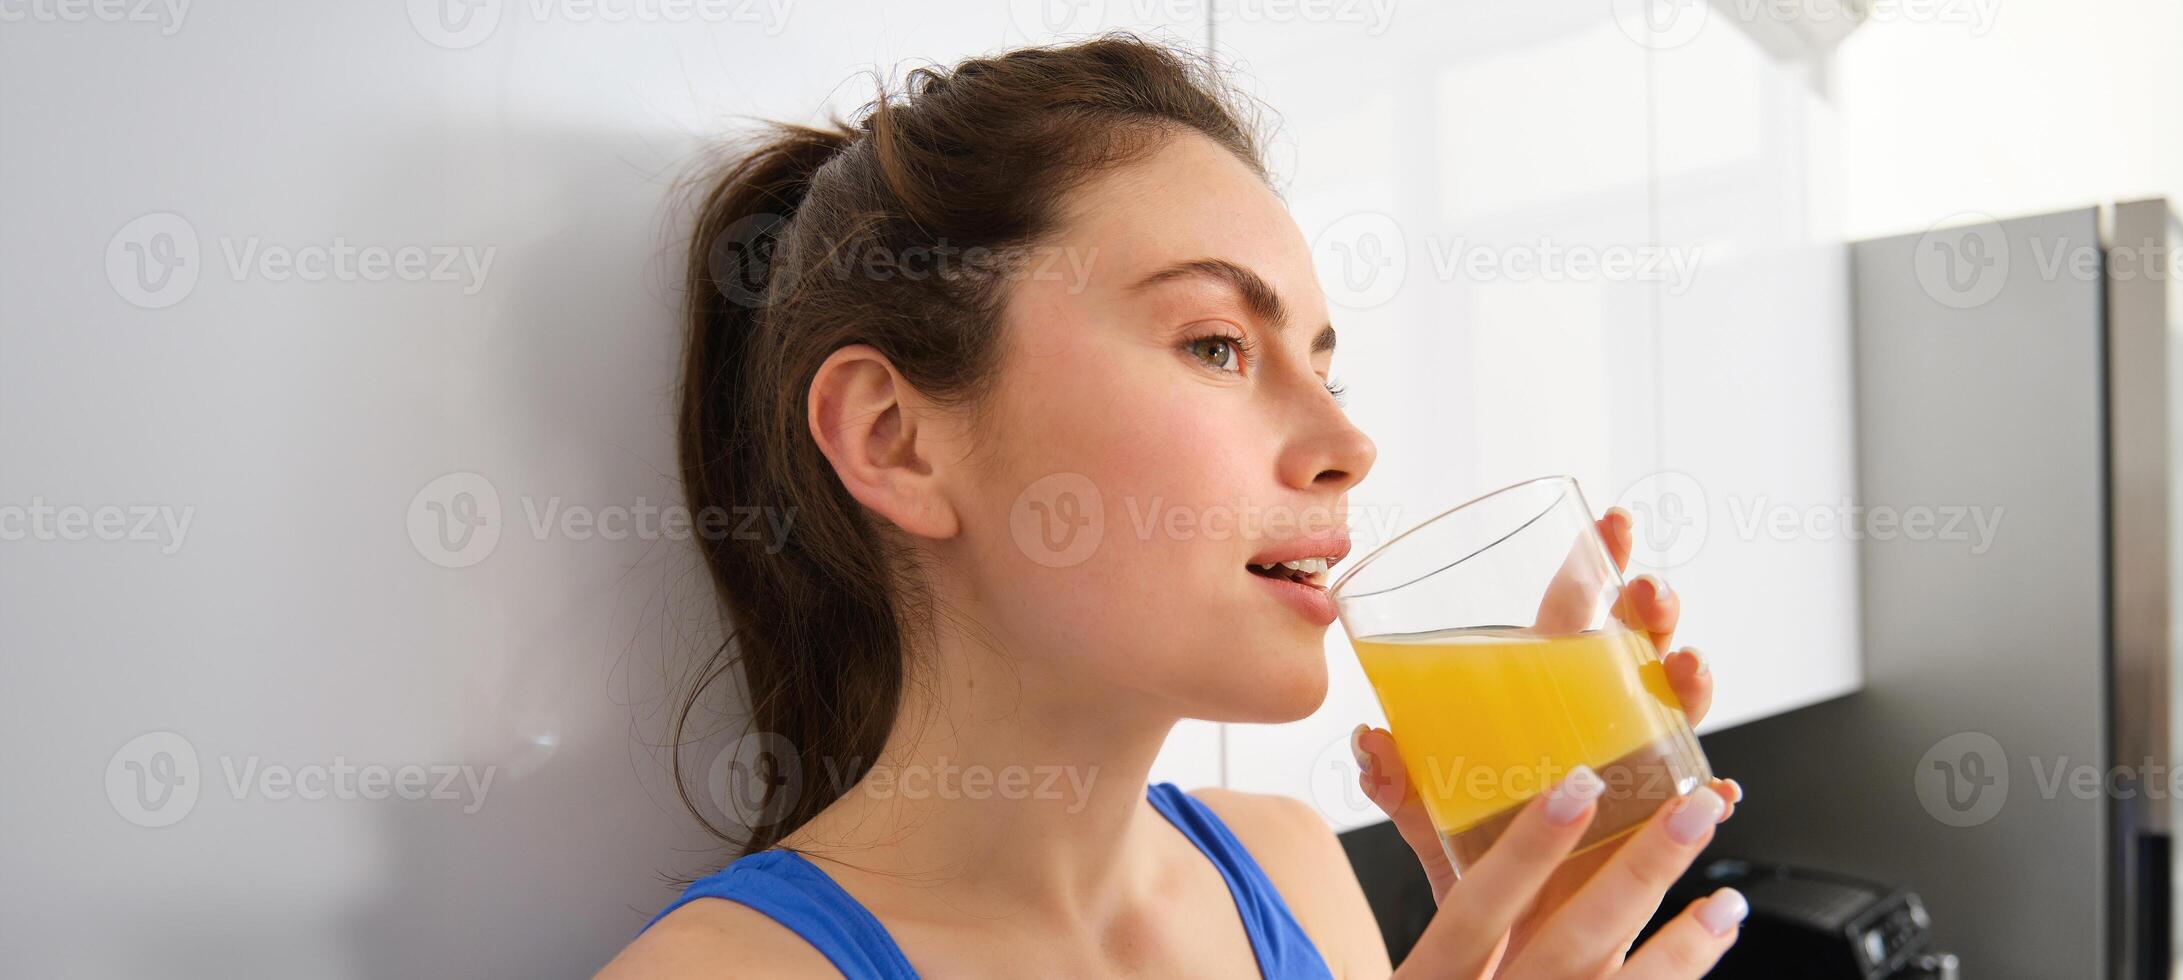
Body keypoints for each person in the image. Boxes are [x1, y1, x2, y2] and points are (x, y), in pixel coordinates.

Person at [598, 32, 1746, 979]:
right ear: (895, 440)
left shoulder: (1290, 865)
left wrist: (1537, 936)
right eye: (1215, 344)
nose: (1349, 445)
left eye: (1324, 368)